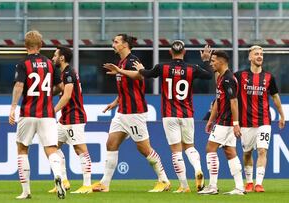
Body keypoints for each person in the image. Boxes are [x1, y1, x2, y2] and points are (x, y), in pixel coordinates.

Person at [128, 41, 213, 193]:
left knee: (176, 151)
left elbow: (147, 74)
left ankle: (184, 186)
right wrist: (206, 60)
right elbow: (208, 75)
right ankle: (198, 169)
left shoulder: (162, 67)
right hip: (187, 114)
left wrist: (141, 69)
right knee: (190, 146)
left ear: (170, 51)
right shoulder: (192, 68)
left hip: (169, 114)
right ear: (185, 52)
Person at [91, 33, 171, 193]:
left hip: (135, 112)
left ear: (125, 45)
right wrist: (115, 102)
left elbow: (141, 76)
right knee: (111, 144)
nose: (113, 44)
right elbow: (126, 88)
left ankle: (164, 180)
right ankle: (104, 184)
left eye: (116, 42)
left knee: (144, 149)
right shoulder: (120, 62)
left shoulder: (133, 60)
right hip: (122, 113)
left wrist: (120, 70)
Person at [9, 30, 65, 199]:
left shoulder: (23, 63)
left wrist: (13, 107)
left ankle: (26, 191)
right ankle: (58, 175)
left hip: (28, 112)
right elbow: (61, 88)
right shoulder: (50, 63)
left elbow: (19, 85)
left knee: (22, 148)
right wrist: (47, 94)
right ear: (41, 45)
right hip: (47, 114)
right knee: (51, 148)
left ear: (25, 46)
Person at [234, 45, 285, 193]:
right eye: (256, 54)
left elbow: (275, 96)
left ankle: (258, 183)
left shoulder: (269, 77)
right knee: (247, 153)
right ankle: (249, 182)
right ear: (250, 57)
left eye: (261, 54)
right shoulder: (239, 76)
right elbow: (228, 90)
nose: (259, 56)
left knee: (262, 150)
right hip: (245, 122)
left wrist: (282, 115)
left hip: (264, 121)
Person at [198, 50, 245, 195]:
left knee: (210, 149)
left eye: (213, 61)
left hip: (226, 122)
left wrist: (236, 123)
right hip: (224, 121)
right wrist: (211, 120)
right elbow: (218, 101)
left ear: (222, 62)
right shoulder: (221, 78)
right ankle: (239, 187)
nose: (211, 63)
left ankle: (212, 186)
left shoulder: (228, 79)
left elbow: (234, 102)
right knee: (230, 152)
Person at [47, 46, 92, 194]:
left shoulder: (68, 73)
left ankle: (87, 185)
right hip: (65, 118)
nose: (53, 58)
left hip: (74, 117)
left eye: (55, 55)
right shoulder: (64, 73)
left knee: (80, 150)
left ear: (62, 58)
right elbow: (60, 91)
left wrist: (52, 111)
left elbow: (66, 96)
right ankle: (64, 181)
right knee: (53, 147)